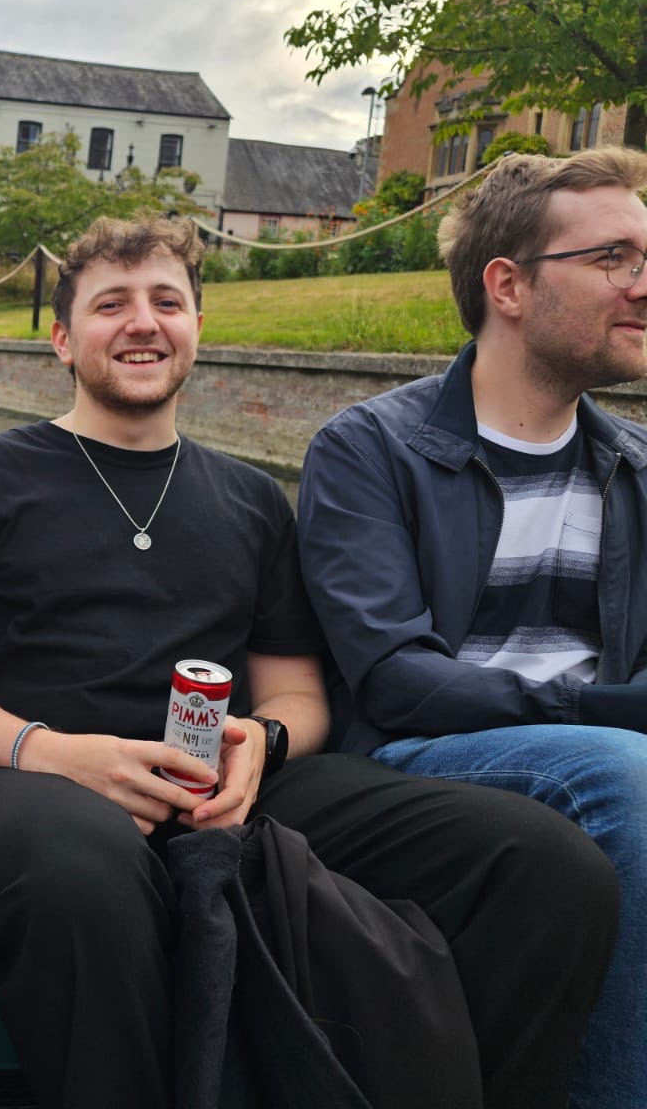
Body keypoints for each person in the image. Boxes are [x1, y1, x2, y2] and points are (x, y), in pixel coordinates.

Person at [0, 212, 618, 1109]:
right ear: (61, 339)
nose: (143, 323)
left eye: (168, 301)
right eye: (111, 304)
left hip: (231, 787)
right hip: (32, 776)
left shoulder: (250, 500)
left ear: (198, 329)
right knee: (80, 872)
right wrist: (53, 754)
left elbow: (297, 693)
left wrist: (262, 745)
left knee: (547, 866)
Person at [298, 146, 647, 1109]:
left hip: (604, 748)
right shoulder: (370, 450)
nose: (643, 286)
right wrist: (611, 711)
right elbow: (397, 680)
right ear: (510, 286)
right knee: (626, 775)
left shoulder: (635, 466)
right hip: (413, 759)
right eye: (616, 259)